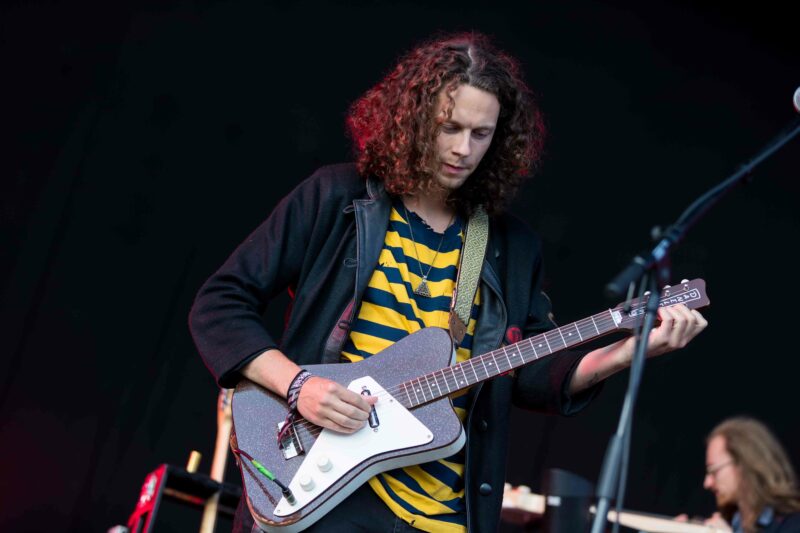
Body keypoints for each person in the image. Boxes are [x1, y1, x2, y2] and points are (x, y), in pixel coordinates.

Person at [189, 32, 707, 533]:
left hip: (443, 513)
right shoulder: (338, 198)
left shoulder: (509, 246)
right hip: (327, 495)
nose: (463, 149)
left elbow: (531, 373)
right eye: (449, 127)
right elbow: (219, 305)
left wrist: (627, 351)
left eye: (481, 134)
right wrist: (299, 386)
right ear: (413, 120)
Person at [700, 417, 800, 532]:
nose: (707, 483)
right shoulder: (732, 523)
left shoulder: (793, 525)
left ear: (744, 464)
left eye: (714, 471)